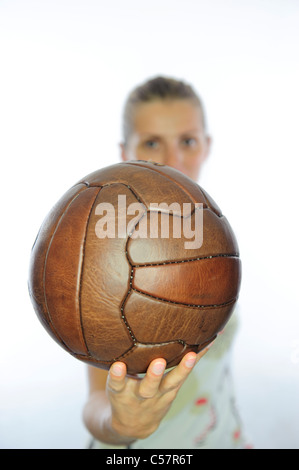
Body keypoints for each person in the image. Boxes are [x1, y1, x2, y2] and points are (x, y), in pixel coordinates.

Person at [83, 76, 249, 449]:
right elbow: (95, 401)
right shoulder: (109, 242)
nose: (173, 160)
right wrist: (120, 425)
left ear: (207, 146)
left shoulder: (213, 235)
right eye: (153, 142)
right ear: (126, 151)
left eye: (187, 142)